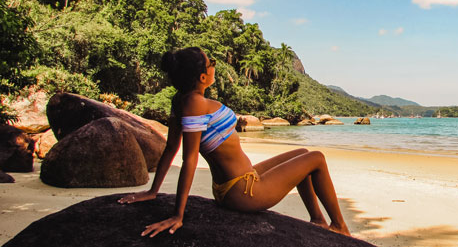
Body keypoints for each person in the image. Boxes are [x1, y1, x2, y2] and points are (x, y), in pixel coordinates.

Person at [119, 46, 351, 237]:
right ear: (202, 77)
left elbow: (170, 148)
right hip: (244, 192)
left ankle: (318, 220)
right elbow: (188, 158)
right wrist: (178, 215)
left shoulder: (181, 101)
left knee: (302, 152)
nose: (213, 66)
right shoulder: (195, 104)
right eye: (211, 63)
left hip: (240, 181)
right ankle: (340, 227)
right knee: (317, 159)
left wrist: (153, 191)